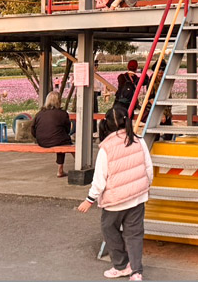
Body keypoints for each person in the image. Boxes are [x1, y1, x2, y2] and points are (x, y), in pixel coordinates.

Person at [77, 105, 153, 281]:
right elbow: (148, 168)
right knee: (134, 234)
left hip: (115, 201)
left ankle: (120, 265)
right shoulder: (139, 140)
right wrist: (145, 186)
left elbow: (99, 179)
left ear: (107, 124)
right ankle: (136, 271)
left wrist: (89, 199)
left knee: (109, 229)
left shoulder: (106, 148)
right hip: (137, 197)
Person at [30, 92, 73, 178]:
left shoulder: (39, 114)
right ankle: (63, 169)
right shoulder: (63, 114)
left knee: (61, 139)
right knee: (65, 141)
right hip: (57, 140)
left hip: (41, 141)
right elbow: (68, 130)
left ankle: (61, 170)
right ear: (59, 101)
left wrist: (38, 137)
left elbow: (32, 128)